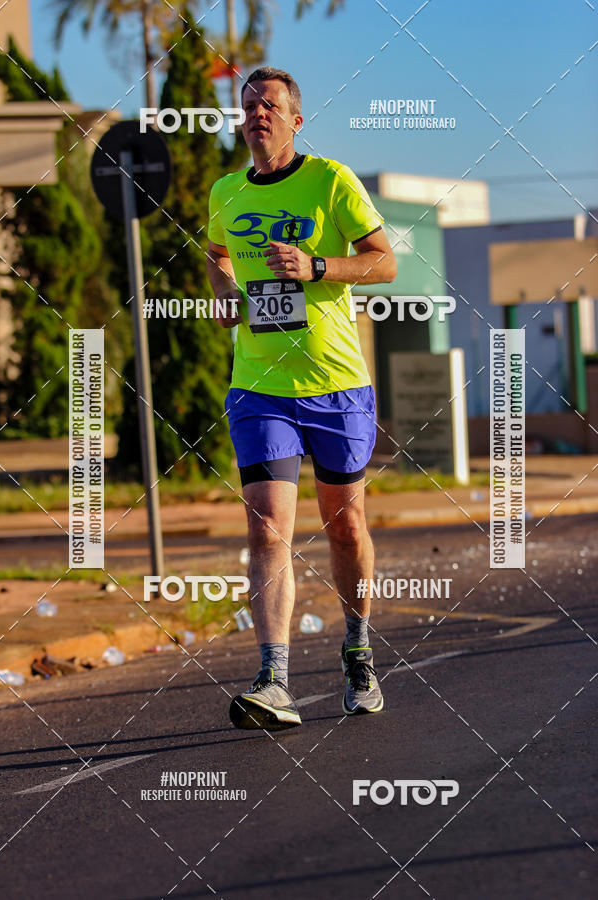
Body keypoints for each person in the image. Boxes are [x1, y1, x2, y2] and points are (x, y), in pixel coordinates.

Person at [206, 67, 397, 731]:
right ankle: (273, 677)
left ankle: (358, 648)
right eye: (249, 105)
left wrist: (317, 267)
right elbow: (219, 253)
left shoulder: (332, 181)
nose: (258, 113)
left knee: (344, 523)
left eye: (271, 106)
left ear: (296, 119)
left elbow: (384, 261)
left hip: (337, 384)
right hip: (259, 385)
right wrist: (227, 292)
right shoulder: (226, 191)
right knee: (266, 524)